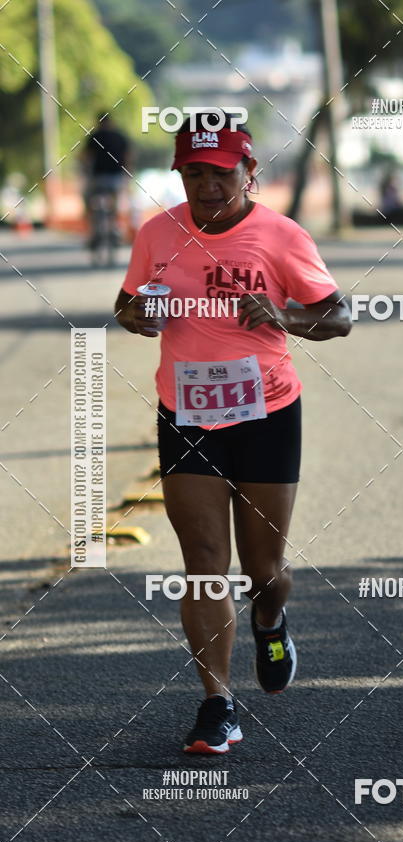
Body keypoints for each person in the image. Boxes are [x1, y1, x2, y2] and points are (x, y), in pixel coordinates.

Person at [114, 113, 351, 753]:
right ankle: (217, 703)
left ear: (249, 171)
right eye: (194, 173)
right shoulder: (157, 232)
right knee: (203, 565)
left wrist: (283, 315)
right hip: (187, 413)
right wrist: (139, 315)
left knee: (264, 572)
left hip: (267, 413)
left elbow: (339, 316)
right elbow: (127, 303)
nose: (208, 186)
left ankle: (270, 620)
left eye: (221, 173)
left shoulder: (281, 235)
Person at [82, 112, 131, 246]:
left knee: (87, 198)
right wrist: (127, 176)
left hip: (97, 178)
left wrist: (85, 173)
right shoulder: (120, 137)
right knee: (116, 203)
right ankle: (115, 228)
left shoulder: (94, 136)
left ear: (98, 122)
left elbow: (86, 157)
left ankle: (93, 231)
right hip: (116, 178)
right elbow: (128, 157)